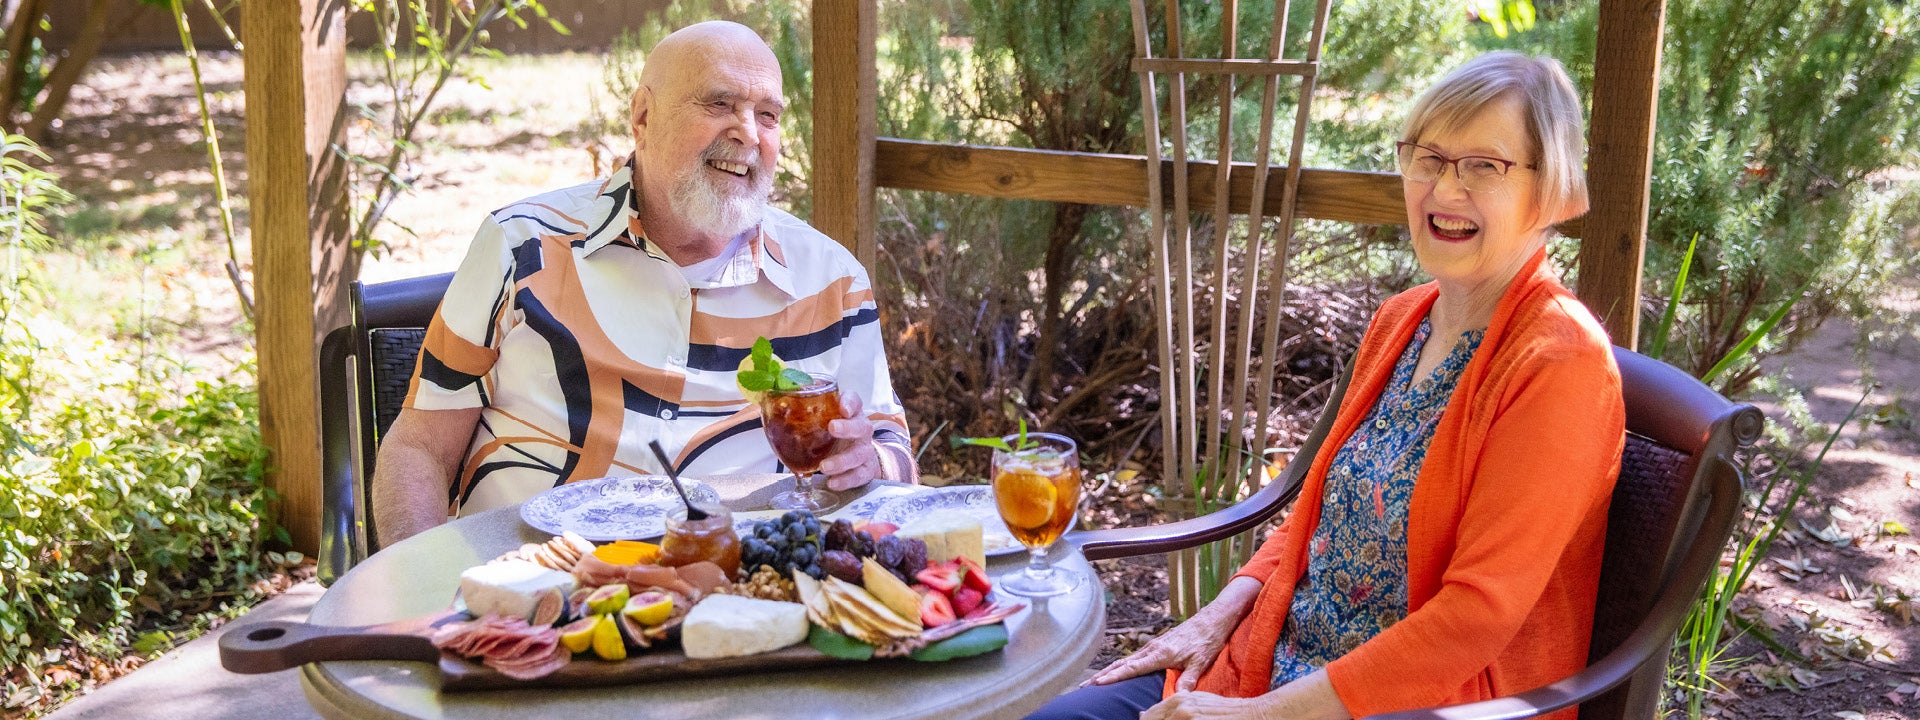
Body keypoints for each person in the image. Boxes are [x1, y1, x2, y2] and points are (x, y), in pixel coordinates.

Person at [1028, 51, 1625, 720]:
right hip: (1270, 668)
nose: (1445, 191)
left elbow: (1476, 619)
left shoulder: (1560, 362)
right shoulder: (1402, 319)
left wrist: (1257, 718)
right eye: (1428, 158)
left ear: (1549, 189)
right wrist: (1216, 617)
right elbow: (1319, 513)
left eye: (1484, 166)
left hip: (1422, 705)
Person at [372, 21, 915, 547]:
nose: (748, 132)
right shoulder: (523, 247)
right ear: (643, 116)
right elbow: (420, 448)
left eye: (767, 115)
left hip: (737, 591)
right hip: (532, 586)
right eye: (719, 104)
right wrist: (423, 600)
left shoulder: (832, 280)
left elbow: (893, 453)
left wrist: (874, 461)